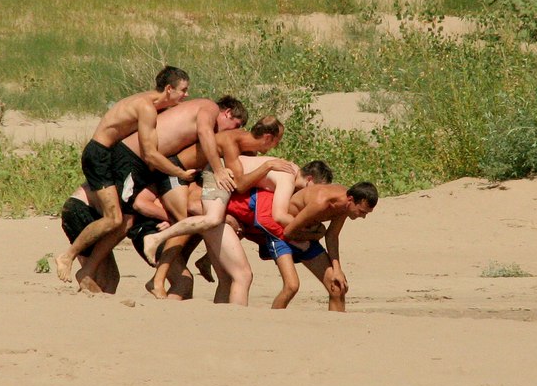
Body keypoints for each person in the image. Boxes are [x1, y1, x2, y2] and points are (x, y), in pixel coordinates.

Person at [73, 95, 247, 293]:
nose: (233, 131)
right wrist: (218, 169)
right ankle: (81, 263)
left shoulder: (193, 126)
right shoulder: (208, 108)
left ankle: (158, 275)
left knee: (138, 222)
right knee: (123, 220)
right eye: (236, 124)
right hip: (132, 161)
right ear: (228, 113)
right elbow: (204, 131)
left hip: (146, 167)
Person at [55, 65, 190, 284]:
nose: (186, 95)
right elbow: (150, 154)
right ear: (168, 89)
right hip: (99, 155)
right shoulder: (146, 107)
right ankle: (67, 255)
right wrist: (178, 171)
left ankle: (88, 267)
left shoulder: (152, 104)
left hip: (108, 157)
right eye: (182, 90)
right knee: (114, 218)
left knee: (122, 221)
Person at [142, 116, 294, 299]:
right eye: (277, 141)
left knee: (220, 223)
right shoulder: (232, 142)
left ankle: (205, 259)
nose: (275, 147)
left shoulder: (248, 151)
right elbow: (240, 185)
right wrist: (268, 165)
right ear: (268, 137)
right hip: (178, 171)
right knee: (191, 218)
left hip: (198, 175)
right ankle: (157, 264)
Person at [229, 181, 378, 311]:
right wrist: (316, 234)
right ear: (350, 200)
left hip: (304, 235)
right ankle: (273, 322)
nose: (362, 216)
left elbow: (332, 236)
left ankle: (336, 329)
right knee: (291, 286)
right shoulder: (322, 202)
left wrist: (337, 270)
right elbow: (288, 232)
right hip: (281, 233)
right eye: (361, 211)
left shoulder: (344, 206)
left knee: (337, 287)